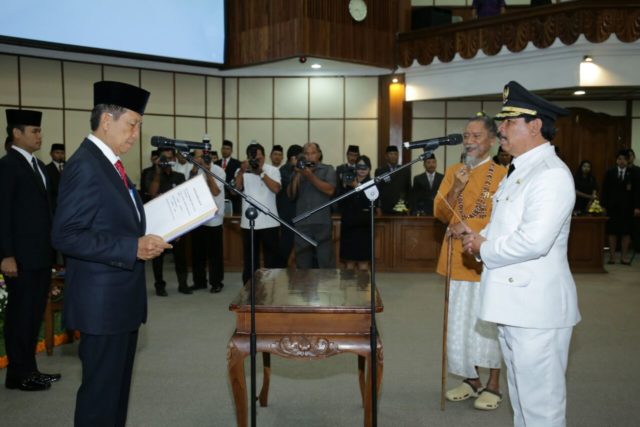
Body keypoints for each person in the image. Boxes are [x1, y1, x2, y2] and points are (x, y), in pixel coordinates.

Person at [461, 81, 581, 426]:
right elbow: (507, 229)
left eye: (509, 121)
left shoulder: (550, 175)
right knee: (522, 398)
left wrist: (484, 247)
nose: (500, 129)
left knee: (541, 403)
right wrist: (479, 236)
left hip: (537, 310)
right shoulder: (520, 172)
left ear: (535, 126)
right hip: (517, 306)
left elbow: (534, 241)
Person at [52, 81, 171, 425]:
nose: (136, 134)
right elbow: (65, 234)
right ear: (107, 120)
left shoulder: (111, 164)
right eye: (132, 124)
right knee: (99, 399)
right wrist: (130, 247)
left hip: (120, 302)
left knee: (116, 395)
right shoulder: (86, 165)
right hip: (101, 306)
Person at [434, 112, 506, 411]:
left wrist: (475, 231)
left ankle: (493, 384)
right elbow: (440, 212)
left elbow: (504, 220)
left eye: (476, 136)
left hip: (484, 258)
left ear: (491, 140)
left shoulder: (503, 174)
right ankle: (471, 379)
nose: (470, 141)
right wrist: (457, 187)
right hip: (455, 257)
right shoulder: (454, 171)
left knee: (488, 323)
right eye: (466, 136)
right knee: (460, 324)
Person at [1, 109, 60, 392]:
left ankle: (30, 369)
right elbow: (2, 214)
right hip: (20, 257)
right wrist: (5, 254)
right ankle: (17, 374)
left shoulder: (36, 165)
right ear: (16, 133)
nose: (39, 135)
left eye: (39, 131)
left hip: (39, 254)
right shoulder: (7, 165)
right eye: (33, 131)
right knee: (20, 315)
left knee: (34, 313)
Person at [144, 147, 191, 296]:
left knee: (180, 256)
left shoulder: (179, 176)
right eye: (164, 158)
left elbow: (184, 199)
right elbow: (151, 193)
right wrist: (158, 172)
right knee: (157, 257)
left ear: (174, 160)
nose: (167, 161)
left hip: (177, 222)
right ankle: (159, 286)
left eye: (170, 158)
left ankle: (183, 284)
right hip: (158, 223)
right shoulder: (149, 173)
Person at [234, 142, 282, 284]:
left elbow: (276, 189)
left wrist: (260, 172)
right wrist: (242, 172)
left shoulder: (272, 170)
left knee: (272, 261)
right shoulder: (242, 171)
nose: (257, 161)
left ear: (264, 157)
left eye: (260, 158)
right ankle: (249, 291)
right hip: (249, 223)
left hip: (270, 222)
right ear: (248, 158)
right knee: (250, 260)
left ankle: (271, 289)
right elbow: (234, 190)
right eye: (254, 159)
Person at [288, 142, 336, 268]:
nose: (310, 156)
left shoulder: (328, 169)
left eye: (313, 153)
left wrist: (310, 176)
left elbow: (330, 190)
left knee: (325, 263)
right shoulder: (298, 171)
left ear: (319, 154)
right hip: (302, 224)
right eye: (307, 154)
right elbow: (291, 195)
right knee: (303, 264)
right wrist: (299, 173)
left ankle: (326, 288)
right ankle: (304, 288)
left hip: (322, 223)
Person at [189, 149, 225, 293]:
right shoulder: (194, 169)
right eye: (199, 157)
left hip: (214, 218)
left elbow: (216, 191)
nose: (202, 159)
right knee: (197, 253)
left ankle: (216, 282)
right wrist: (195, 168)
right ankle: (199, 282)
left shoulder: (219, 170)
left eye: (204, 157)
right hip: (198, 217)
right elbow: (188, 188)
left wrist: (208, 172)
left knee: (214, 254)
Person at [338, 155, 374, 271]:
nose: (362, 170)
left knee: (363, 264)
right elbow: (340, 203)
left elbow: (370, 201)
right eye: (359, 167)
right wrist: (344, 186)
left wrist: (357, 186)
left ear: (369, 169)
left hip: (364, 227)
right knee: (349, 264)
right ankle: (349, 289)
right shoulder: (348, 181)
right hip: (349, 226)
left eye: (365, 167)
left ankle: (363, 289)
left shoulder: (372, 183)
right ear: (355, 168)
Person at [601, 149, 636, 264]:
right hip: (612, 208)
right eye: (620, 159)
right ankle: (612, 257)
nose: (622, 161)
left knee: (626, 233)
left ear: (628, 161)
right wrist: (603, 206)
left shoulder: (633, 173)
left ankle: (624, 257)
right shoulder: (610, 172)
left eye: (624, 159)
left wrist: (637, 207)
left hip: (628, 208)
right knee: (612, 232)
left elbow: (637, 192)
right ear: (616, 160)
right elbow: (604, 190)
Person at [276, 144, 303, 267]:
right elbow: (292, 190)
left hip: (297, 214)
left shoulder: (299, 169)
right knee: (287, 246)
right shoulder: (284, 170)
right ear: (293, 158)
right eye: (300, 157)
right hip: (287, 214)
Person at [375, 145, 412, 215]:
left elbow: (409, 190)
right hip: (385, 208)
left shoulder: (405, 170)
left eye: (395, 154)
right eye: (391, 154)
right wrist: (377, 207)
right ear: (386, 156)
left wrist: (409, 207)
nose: (393, 156)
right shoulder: (380, 171)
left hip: (401, 208)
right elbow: (377, 190)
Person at [215, 139, 241, 214]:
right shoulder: (215, 164)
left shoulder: (237, 164)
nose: (225, 151)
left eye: (227, 149)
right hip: (218, 197)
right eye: (223, 148)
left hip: (233, 199)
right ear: (221, 149)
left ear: (231, 151)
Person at [45, 143, 65, 212]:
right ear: (51, 154)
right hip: (54, 205)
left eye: (62, 153)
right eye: (57, 153)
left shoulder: (69, 167)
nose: (60, 155)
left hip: (68, 203)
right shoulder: (46, 169)